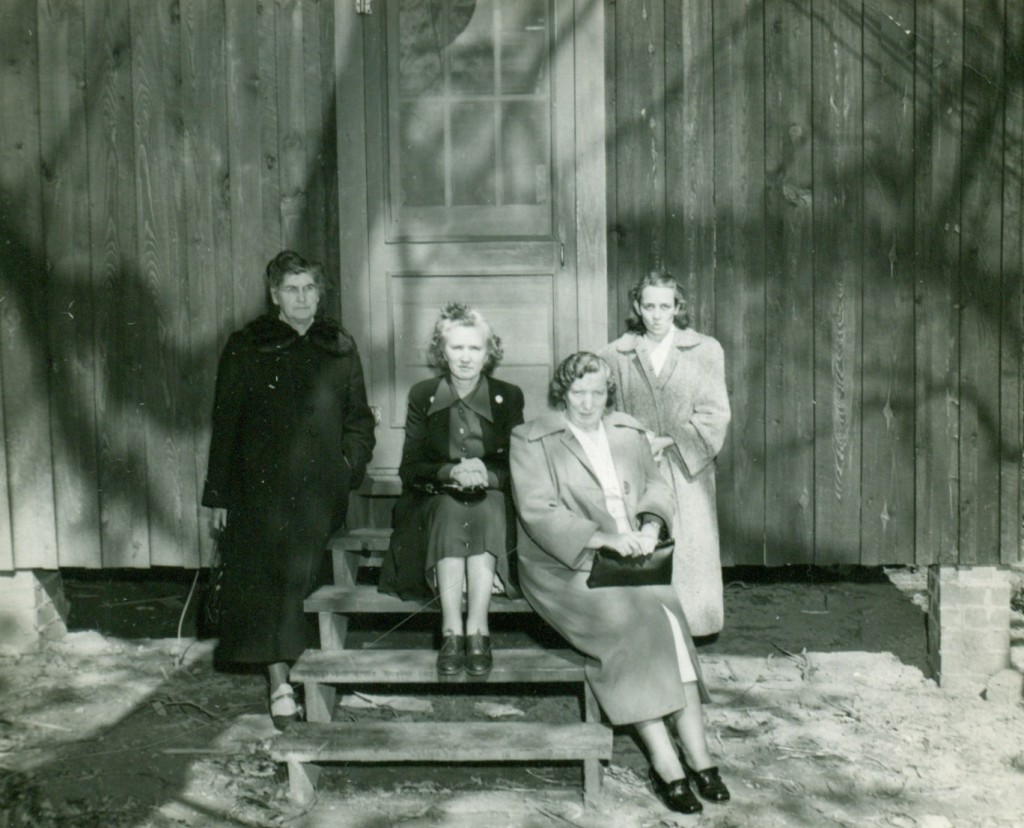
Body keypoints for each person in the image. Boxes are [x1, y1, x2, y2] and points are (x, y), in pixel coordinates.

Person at [510, 352, 729, 815]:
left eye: (597, 392)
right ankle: (666, 762)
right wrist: (606, 539)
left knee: (670, 626)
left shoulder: (627, 432)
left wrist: (650, 526)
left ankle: (701, 757)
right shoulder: (532, 439)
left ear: (608, 393)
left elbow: (657, 486)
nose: (587, 403)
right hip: (566, 567)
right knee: (633, 630)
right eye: (577, 393)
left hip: (632, 561)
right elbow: (538, 512)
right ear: (561, 393)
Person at [202, 250, 375, 729]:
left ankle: (313, 672)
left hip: (321, 488)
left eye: (310, 289)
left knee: (303, 568)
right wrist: (218, 495)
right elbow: (227, 421)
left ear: (320, 293)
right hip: (260, 488)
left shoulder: (339, 345)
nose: (302, 299)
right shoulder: (247, 345)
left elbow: (359, 418)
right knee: (266, 574)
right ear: (275, 296)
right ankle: (279, 681)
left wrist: (347, 466)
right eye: (292, 290)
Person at [378, 302, 524, 678]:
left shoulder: (508, 396)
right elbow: (410, 469)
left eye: (474, 348)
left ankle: (478, 629)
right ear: (441, 352)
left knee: (487, 508)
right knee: (450, 509)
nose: (465, 357)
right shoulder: (423, 394)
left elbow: (517, 467)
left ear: (488, 353)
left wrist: (485, 475)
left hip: (489, 500)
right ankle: (450, 631)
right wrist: (451, 472)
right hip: (434, 497)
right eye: (456, 348)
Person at [601, 271, 730, 637]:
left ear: (678, 308)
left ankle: (694, 627)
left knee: (691, 547)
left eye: (665, 306)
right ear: (637, 308)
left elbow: (715, 412)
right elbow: (606, 412)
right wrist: (637, 441)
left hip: (688, 464)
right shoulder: (615, 354)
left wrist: (671, 439)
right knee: (640, 541)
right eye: (649, 306)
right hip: (637, 462)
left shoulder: (705, 350)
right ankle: (646, 630)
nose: (657, 315)